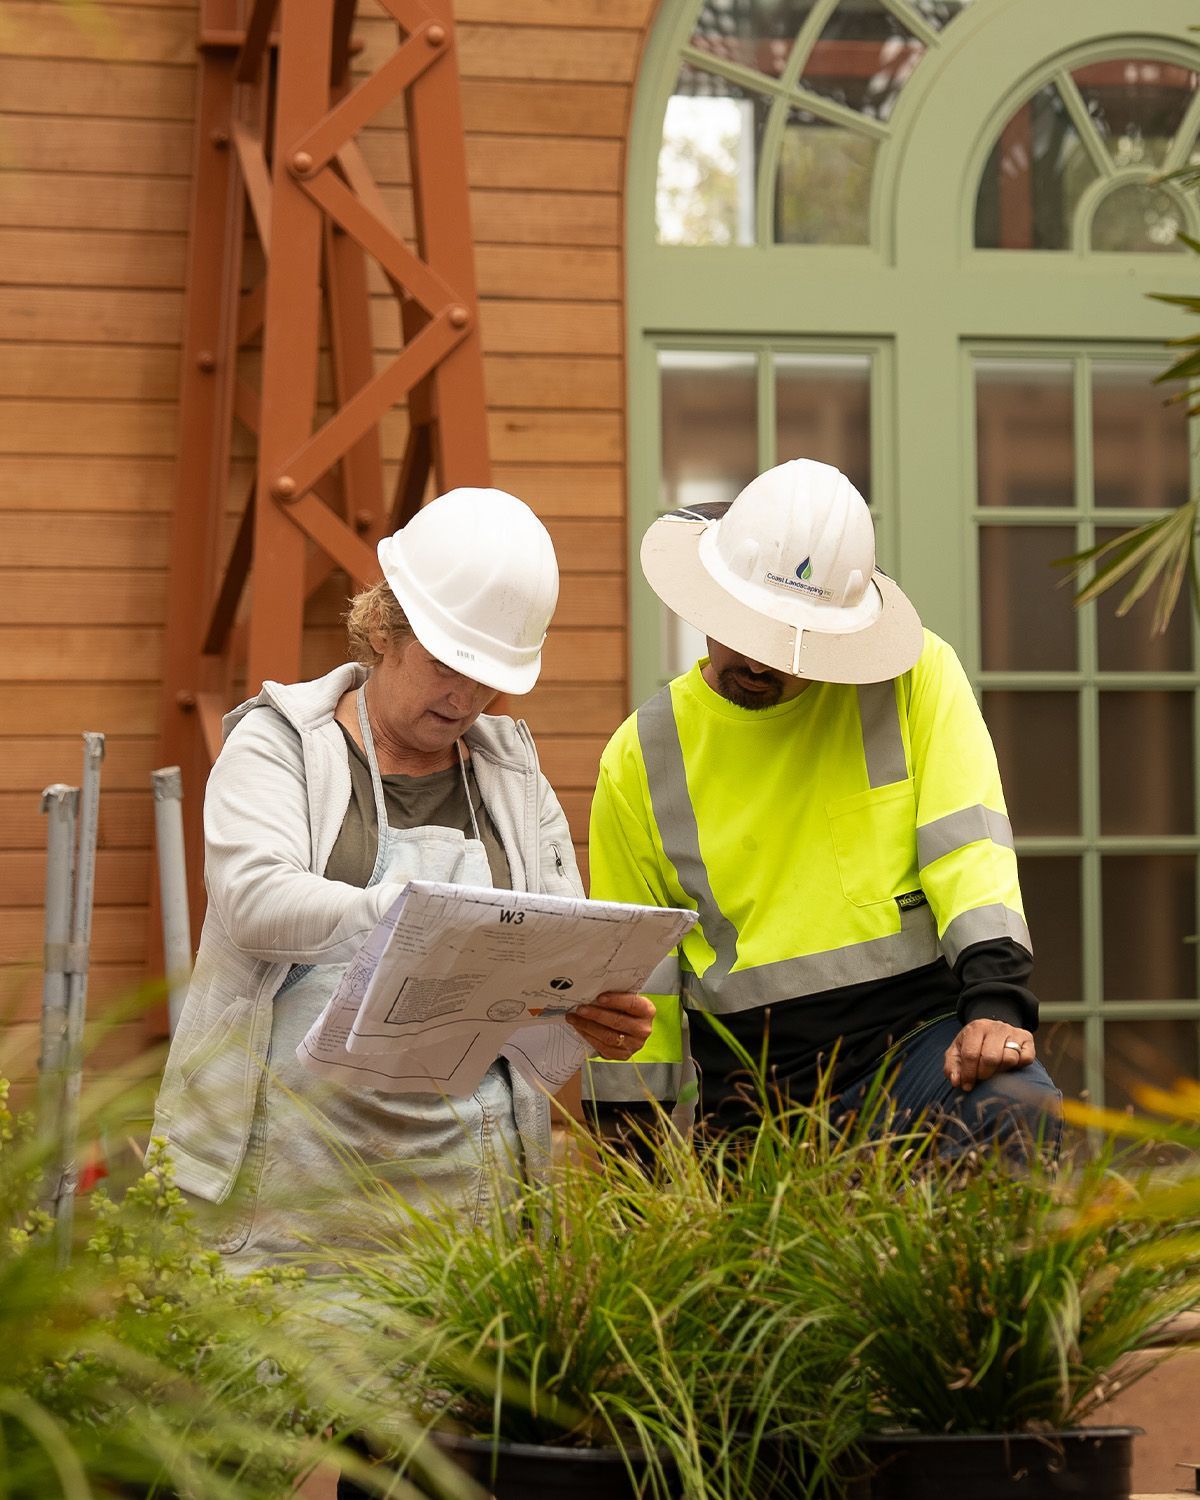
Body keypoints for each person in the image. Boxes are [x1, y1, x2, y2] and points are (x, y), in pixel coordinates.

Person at [151, 487, 654, 1267]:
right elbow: (252, 899)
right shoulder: (281, 744)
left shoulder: (513, 777)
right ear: (384, 628)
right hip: (288, 1191)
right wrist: (410, 918)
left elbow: (560, 948)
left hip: (469, 1199)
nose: (465, 698)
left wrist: (592, 1018)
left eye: (489, 679)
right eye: (447, 665)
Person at [586, 459, 1060, 1154]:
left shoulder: (916, 675)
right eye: (745, 627)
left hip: (916, 1052)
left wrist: (994, 1005)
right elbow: (637, 988)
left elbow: (970, 854)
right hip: (753, 1095)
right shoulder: (641, 756)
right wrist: (637, 1170)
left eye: (788, 641)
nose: (760, 660)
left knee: (1016, 1107)